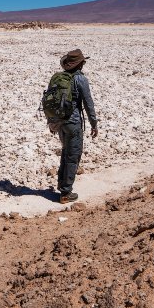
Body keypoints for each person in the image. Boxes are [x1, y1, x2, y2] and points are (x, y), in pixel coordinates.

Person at [55, 49, 98, 203]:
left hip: (60, 123)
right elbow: (88, 104)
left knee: (66, 153)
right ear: (81, 64)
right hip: (73, 123)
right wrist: (94, 123)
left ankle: (62, 186)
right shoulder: (81, 79)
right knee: (73, 156)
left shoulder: (60, 78)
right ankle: (66, 193)